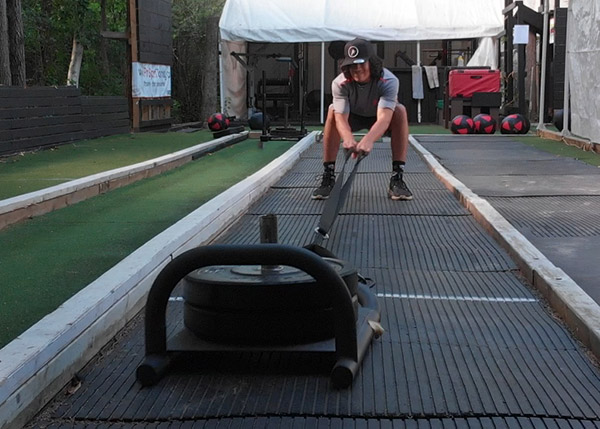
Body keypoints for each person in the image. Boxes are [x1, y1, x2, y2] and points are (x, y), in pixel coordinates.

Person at [312, 38, 413, 201]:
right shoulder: (340, 83)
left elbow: (384, 119)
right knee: (332, 110)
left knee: (400, 110)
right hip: (354, 116)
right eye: (352, 64)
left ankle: (397, 178)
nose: (357, 68)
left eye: (361, 63)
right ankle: (328, 175)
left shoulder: (389, 80)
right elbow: (341, 118)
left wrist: (368, 140)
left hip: (378, 117)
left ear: (371, 63)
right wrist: (348, 140)